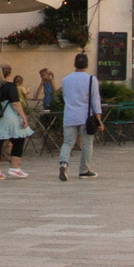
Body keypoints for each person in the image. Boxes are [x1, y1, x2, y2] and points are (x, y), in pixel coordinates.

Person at [0, 63, 33, 180]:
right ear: (9, 74)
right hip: (7, 116)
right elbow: (15, 104)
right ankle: (14, 168)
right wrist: (24, 118)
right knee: (19, 139)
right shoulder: (10, 86)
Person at [59, 53, 103, 181]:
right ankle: (84, 170)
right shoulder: (91, 79)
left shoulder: (66, 79)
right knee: (87, 143)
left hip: (69, 115)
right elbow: (95, 100)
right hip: (86, 116)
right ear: (87, 65)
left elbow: (65, 97)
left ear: (74, 64)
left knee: (68, 142)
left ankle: (63, 164)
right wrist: (99, 119)